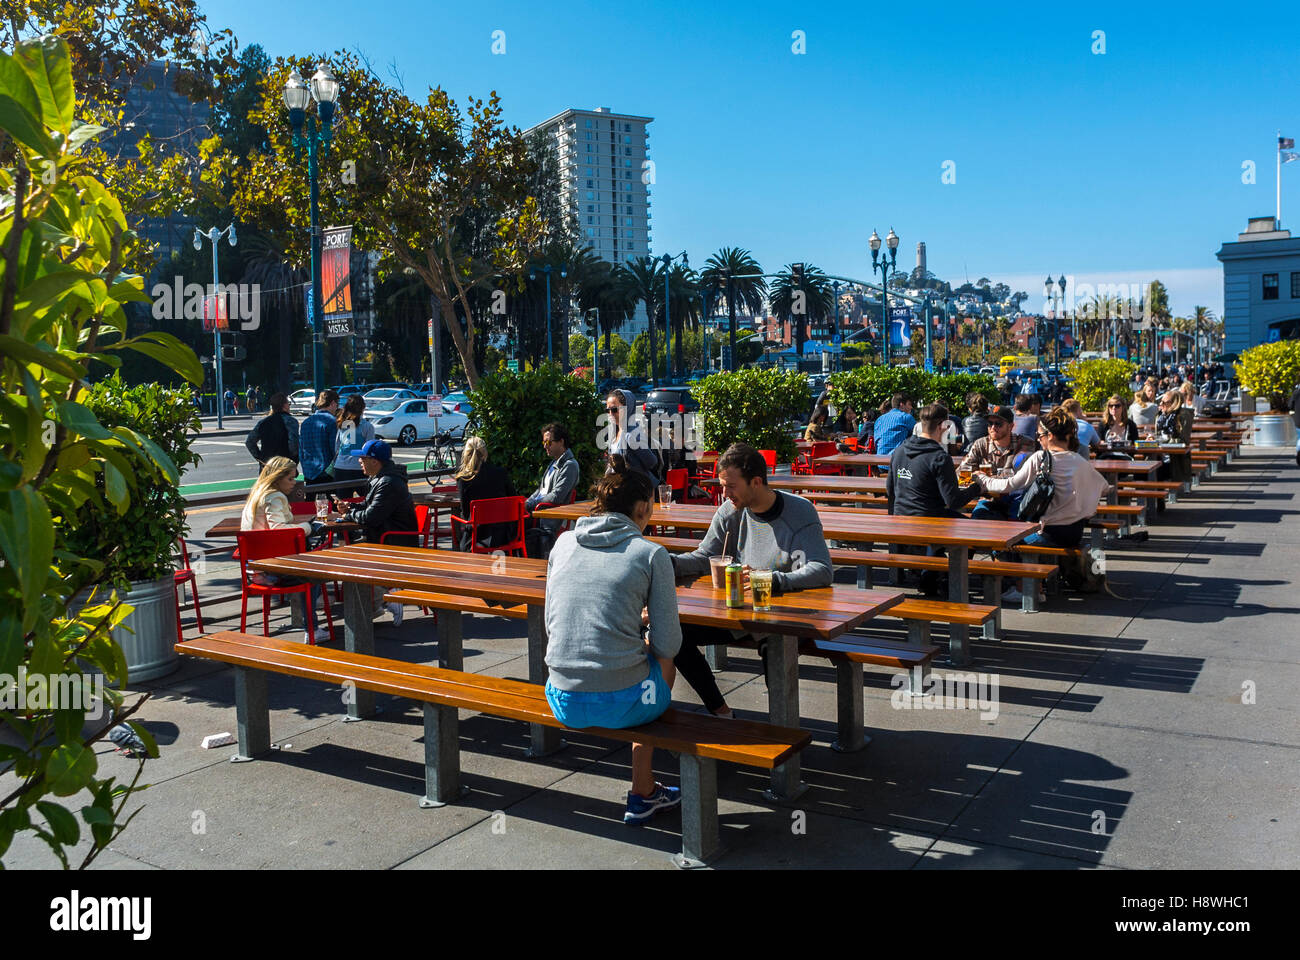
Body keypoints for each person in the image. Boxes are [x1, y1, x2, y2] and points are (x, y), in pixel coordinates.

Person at [543, 462, 682, 824]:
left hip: (561, 697)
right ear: (643, 509)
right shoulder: (650, 554)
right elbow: (669, 643)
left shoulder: (563, 543)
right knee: (664, 662)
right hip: (623, 703)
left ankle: (646, 788)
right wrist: (642, 631)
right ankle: (643, 790)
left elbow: (554, 622)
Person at [669, 443, 833, 717]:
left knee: (775, 643)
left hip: (784, 613)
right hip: (739, 612)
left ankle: (782, 732)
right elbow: (705, 556)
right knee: (672, 633)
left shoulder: (799, 511)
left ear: (756, 482)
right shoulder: (729, 511)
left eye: (730, 486)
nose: (724, 493)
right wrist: (669, 563)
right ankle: (721, 712)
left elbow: (822, 569)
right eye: (722, 485)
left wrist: (773, 580)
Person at [974, 407, 1109, 604]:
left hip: (1048, 534)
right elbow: (1104, 488)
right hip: (1074, 532)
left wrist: (983, 479)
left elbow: (1008, 485)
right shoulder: (1080, 461)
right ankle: (1032, 584)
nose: (1038, 439)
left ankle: (1026, 589)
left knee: (1000, 541)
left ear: (1050, 435)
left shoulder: (1042, 458)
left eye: (1040, 435)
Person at [887, 403, 982, 595]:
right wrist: (976, 487)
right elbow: (954, 501)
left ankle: (933, 570)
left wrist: (894, 519)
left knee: (953, 526)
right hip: (930, 520)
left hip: (901, 519)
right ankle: (947, 577)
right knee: (975, 532)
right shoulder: (939, 457)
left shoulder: (899, 451)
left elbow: (890, 489)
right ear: (942, 426)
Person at [240, 456, 329, 643]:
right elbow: (277, 529)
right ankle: (312, 629)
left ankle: (313, 616)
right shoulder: (275, 496)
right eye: (290, 478)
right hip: (274, 571)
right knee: (315, 574)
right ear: (277, 477)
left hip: (255, 569)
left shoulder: (256, 495)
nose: (294, 482)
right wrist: (307, 527)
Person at [339, 439, 416, 625]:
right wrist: (351, 507)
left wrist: (350, 514)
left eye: (362, 458)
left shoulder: (388, 482)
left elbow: (371, 517)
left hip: (394, 542)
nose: (359, 461)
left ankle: (385, 598)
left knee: (348, 560)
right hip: (388, 537)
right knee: (347, 557)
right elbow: (369, 507)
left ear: (375, 461)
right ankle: (374, 604)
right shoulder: (382, 478)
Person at [961, 406, 1038, 520]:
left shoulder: (1025, 443)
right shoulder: (980, 445)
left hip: (1016, 499)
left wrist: (983, 478)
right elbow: (962, 476)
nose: (993, 427)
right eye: (989, 423)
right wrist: (973, 476)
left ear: (1011, 426)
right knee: (977, 520)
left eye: (998, 424)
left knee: (1020, 523)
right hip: (989, 500)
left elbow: (1018, 478)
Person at [524, 422, 581, 559]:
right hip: (538, 513)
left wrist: (531, 505)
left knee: (510, 525)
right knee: (508, 520)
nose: (545, 446)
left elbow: (556, 496)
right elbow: (540, 491)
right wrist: (526, 502)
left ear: (561, 442)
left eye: (549, 442)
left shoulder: (569, 466)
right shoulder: (554, 463)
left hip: (548, 518)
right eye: (544, 442)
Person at [453, 436, 518, 551]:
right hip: (503, 534)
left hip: (476, 536)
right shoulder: (500, 473)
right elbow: (514, 499)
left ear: (466, 454)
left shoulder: (464, 479)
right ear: (485, 454)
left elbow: (466, 511)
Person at [604, 389, 660, 485]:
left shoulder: (631, 434)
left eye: (614, 410)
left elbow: (651, 461)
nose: (610, 414)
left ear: (627, 409)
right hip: (621, 489)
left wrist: (633, 469)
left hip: (637, 492)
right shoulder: (614, 433)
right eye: (607, 410)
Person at [332, 394, 375, 497]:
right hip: (359, 467)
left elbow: (337, 446)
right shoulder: (367, 426)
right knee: (368, 499)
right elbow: (370, 449)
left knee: (343, 502)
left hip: (341, 466)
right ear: (363, 408)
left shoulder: (342, 424)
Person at [244, 392, 300, 467]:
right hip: (284, 465)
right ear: (284, 406)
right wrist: (292, 459)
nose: (289, 406)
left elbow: (249, 442)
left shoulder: (263, 423)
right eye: (288, 403)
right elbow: (294, 444)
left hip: (266, 465)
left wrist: (260, 458)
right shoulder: (290, 421)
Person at [300, 389, 340, 485]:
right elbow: (335, 449)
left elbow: (301, 449)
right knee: (329, 500)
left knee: (310, 499)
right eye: (337, 404)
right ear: (333, 403)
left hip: (309, 470)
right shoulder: (332, 421)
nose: (337, 408)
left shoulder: (306, 422)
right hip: (327, 472)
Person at [1155, 390, 1194, 486]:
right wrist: (1153, 439)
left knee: (1155, 474)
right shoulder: (1160, 416)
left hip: (1176, 460)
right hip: (1160, 457)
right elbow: (1158, 436)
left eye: (1164, 402)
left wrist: (1162, 441)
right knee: (1144, 474)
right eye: (1160, 401)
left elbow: (1183, 440)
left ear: (1174, 403)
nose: (1161, 404)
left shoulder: (1183, 416)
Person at [873, 393, 916, 457]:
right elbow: (919, 437)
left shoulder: (879, 419)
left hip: (880, 462)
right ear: (902, 405)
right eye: (909, 404)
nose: (911, 407)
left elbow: (876, 443)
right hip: (898, 463)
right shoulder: (906, 417)